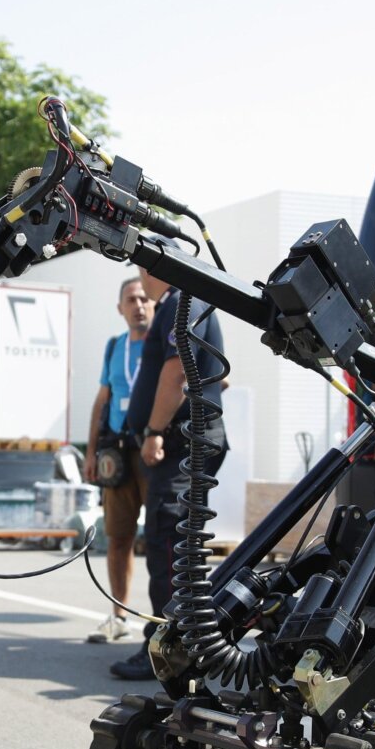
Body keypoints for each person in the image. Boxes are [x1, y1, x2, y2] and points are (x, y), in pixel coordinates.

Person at [112, 266, 227, 681]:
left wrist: (155, 430)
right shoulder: (179, 305)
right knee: (176, 543)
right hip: (186, 439)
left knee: (167, 541)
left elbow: (177, 372)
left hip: (180, 440)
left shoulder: (181, 303)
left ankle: (168, 648)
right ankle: (184, 642)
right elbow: (217, 374)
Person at [84, 278, 155, 644]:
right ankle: (118, 616)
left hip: (154, 451)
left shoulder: (165, 343)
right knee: (118, 538)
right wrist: (91, 452)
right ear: (120, 308)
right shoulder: (114, 347)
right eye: (131, 299)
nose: (139, 305)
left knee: (161, 538)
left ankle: (165, 622)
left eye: (144, 298)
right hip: (118, 453)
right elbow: (101, 401)